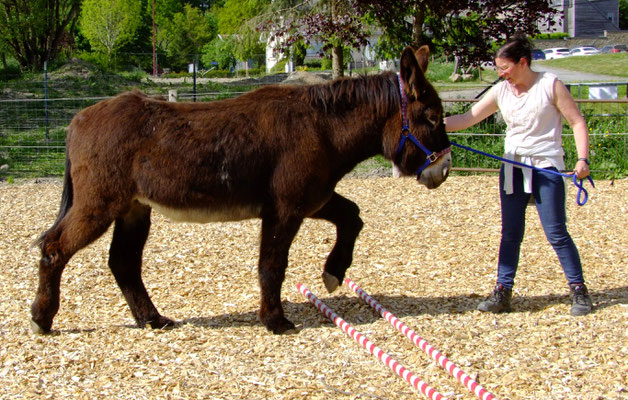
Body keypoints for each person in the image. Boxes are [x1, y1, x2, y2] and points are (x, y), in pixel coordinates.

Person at [444, 34, 593, 316]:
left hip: (545, 167)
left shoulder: (550, 84)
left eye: (505, 68)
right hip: (512, 168)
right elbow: (468, 118)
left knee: (556, 232)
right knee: (510, 233)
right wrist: (431, 125)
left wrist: (582, 159)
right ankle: (503, 291)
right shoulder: (501, 90)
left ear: (522, 63)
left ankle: (578, 290)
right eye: (498, 69)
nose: (501, 74)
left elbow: (576, 121)